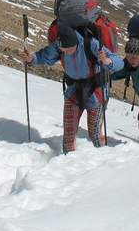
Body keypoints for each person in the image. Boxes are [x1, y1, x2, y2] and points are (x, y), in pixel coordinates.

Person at [21, 25, 124, 153]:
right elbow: (44, 56)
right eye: (64, 50)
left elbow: (119, 63)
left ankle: (104, 158)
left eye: (70, 49)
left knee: (95, 133)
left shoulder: (90, 43)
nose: (67, 52)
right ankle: (67, 159)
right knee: (69, 132)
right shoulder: (58, 46)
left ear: (76, 43)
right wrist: (31, 59)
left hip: (96, 92)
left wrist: (107, 60)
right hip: (73, 90)